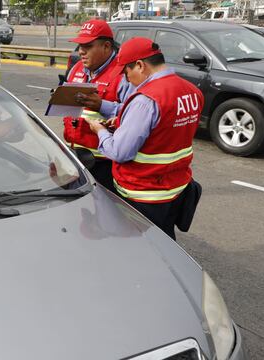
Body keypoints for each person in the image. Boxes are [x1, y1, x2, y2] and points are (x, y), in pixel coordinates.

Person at [85, 37, 204, 240]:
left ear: (140, 65)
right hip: (176, 189)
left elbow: (120, 152)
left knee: (142, 249)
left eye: (126, 72)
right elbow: (165, 131)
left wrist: (99, 131)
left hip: (144, 194)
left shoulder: (146, 100)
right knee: (165, 243)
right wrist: (124, 123)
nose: (126, 78)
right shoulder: (191, 91)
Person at [59, 19, 134, 193]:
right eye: (79, 46)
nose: (81, 51)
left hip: (106, 163)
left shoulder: (124, 75)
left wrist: (102, 105)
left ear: (107, 47)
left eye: (88, 46)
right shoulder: (77, 68)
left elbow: (135, 114)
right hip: (76, 156)